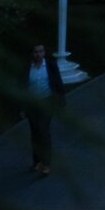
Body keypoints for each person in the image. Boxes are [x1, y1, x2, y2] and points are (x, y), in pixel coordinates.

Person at [25, 43, 66, 175]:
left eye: (41, 51)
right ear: (32, 53)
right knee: (35, 132)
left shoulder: (50, 65)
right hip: (32, 104)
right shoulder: (27, 67)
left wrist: (61, 99)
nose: (38, 54)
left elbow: (58, 81)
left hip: (46, 102)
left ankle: (46, 163)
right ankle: (37, 161)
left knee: (43, 131)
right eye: (36, 52)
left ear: (44, 52)